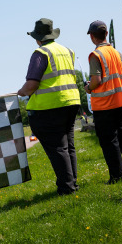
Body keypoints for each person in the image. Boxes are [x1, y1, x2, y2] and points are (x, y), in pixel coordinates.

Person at [18, 18, 81, 195]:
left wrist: (21, 92)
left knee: (58, 148)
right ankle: (72, 183)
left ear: (38, 38)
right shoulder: (68, 51)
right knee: (68, 146)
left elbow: (31, 85)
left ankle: (66, 187)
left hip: (50, 106)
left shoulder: (40, 53)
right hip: (71, 101)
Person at [84, 20, 122, 184]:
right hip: (120, 102)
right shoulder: (118, 54)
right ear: (106, 34)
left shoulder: (96, 55)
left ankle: (117, 176)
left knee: (109, 141)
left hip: (103, 105)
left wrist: (89, 88)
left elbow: (96, 80)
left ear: (92, 36)